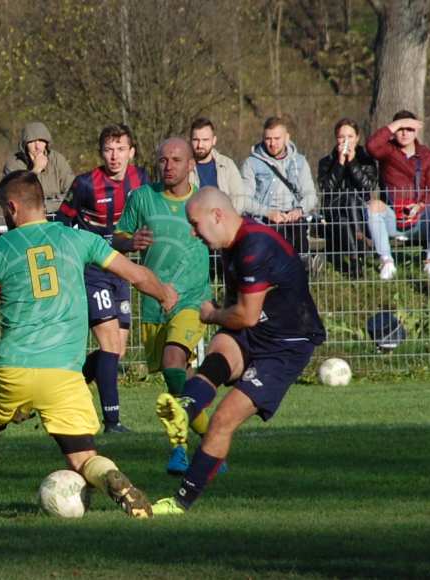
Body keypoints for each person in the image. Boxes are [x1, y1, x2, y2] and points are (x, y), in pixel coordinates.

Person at [0, 171, 177, 519]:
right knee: (83, 458)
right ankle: (112, 479)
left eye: (3, 208)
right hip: (63, 373)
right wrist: (165, 293)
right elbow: (134, 275)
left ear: (12, 207)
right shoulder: (79, 240)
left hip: (13, 369)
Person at [152, 186, 325, 515]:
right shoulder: (230, 245)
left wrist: (212, 314)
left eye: (194, 223)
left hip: (286, 345)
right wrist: (223, 316)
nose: (192, 232)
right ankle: (185, 409)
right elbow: (241, 311)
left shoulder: (254, 247)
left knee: (222, 420)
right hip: (256, 330)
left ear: (217, 215)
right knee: (219, 351)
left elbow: (243, 314)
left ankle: (180, 501)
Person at [113, 137, 212, 475]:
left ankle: (179, 449)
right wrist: (130, 241)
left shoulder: (204, 201)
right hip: (153, 302)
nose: (168, 166)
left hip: (191, 300)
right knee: (179, 376)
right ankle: (213, 443)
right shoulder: (142, 198)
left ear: (190, 165)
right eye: (163, 160)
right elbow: (117, 238)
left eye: (176, 160)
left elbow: (227, 235)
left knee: (174, 358)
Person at [54, 124, 149, 433]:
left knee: (117, 351)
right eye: (109, 149)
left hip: (121, 271)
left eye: (121, 149)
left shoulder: (142, 180)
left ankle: (61, 390)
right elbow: (62, 223)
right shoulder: (85, 184)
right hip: (93, 271)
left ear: (132, 152)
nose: (115, 155)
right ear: (101, 152)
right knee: (109, 345)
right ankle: (113, 422)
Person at [366, 110, 430, 281]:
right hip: (394, 218)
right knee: (373, 205)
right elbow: (371, 146)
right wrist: (395, 125)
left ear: (416, 131)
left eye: (409, 128)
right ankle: (387, 262)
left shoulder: (427, 155)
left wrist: (420, 205)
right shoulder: (387, 151)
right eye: (400, 129)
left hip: (421, 218)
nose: (404, 133)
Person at [240, 115, 318, 256]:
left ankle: (305, 266)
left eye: (277, 139)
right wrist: (268, 213)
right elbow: (244, 200)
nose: (272, 143)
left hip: (294, 219)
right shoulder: (251, 163)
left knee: (297, 238)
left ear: (287, 138)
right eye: (268, 139)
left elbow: (311, 195)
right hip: (264, 220)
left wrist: (299, 210)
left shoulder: (299, 162)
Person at [317, 118, 378, 277]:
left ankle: (353, 261)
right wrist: (340, 164)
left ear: (357, 138)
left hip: (360, 213)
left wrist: (352, 163)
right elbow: (326, 188)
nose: (345, 141)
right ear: (336, 138)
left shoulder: (366, 160)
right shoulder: (327, 161)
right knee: (347, 199)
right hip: (334, 211)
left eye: (350, 137)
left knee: (346, 218)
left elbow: (368, 186)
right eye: (341, 137)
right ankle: (359, 248)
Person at [3, 122, 75, 212]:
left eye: (41, 141)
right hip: (27, 218)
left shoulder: (57, 160)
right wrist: (35, 170)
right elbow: (14, 197)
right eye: (32, 142)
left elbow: (72, 192)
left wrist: (46, 206)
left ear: (46, 143)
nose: (37, 147)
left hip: (57, 215)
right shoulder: (14, 164)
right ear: (25, 145)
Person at [189, 117, 245, 205]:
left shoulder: (227, 164)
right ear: (190, 140)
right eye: (196, 140)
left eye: (205, 140)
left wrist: (227, 217)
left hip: (224, 217)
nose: (200, 145)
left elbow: (239, 199)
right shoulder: (184, 167)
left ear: (214, 140)